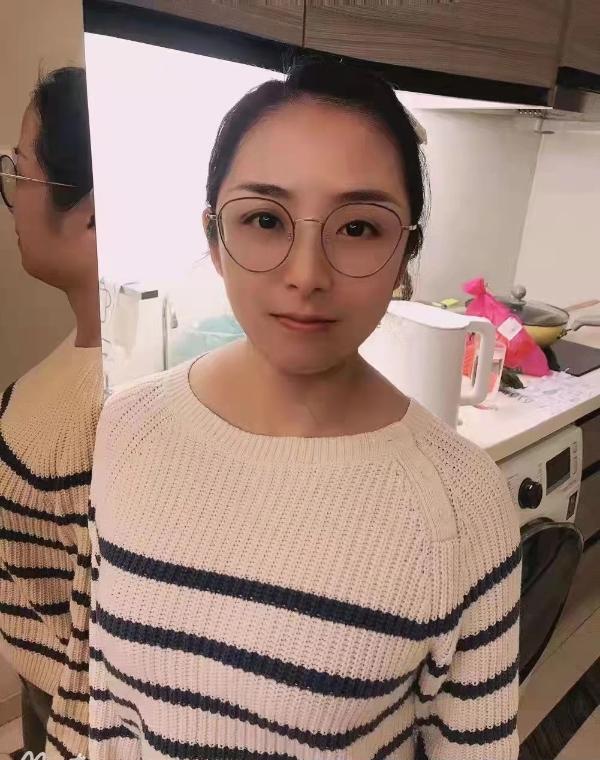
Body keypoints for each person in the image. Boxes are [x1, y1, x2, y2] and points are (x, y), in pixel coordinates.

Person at [88, 58, 522, 760]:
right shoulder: (126, 430)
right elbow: (107, 707)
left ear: (405, 254)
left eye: (359, 228)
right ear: (214, 238)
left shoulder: (461, 505)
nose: (306, 275)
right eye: (265, 219)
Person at [0, 67, 102, 759]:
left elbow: (103, 665)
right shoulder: (80, 353)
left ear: (91, 212)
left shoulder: (100, 416)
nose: (10, 198)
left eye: (19, 171)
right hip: (41, 682)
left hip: (70, 712)